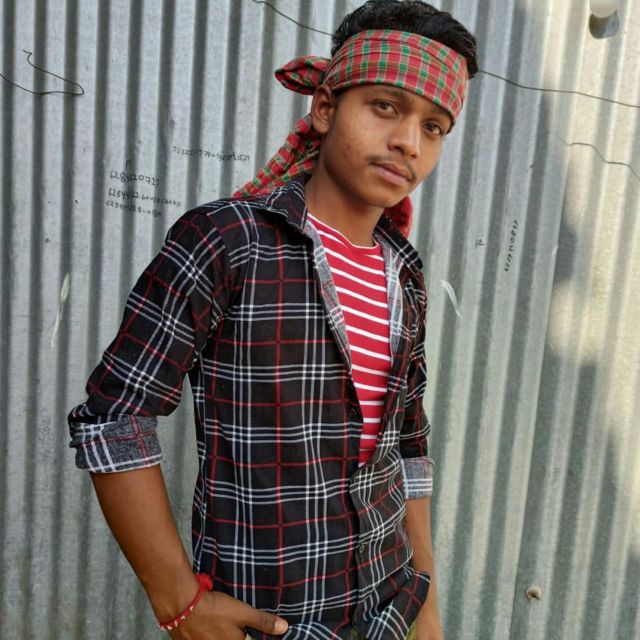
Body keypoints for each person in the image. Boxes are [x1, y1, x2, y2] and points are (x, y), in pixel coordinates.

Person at [68, 1, 478, 638]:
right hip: (271, 621)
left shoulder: (404, 273)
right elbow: (115, 418)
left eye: (434, 126)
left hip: (390, 607)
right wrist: (178, 600)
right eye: (385, 106)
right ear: (325, 107)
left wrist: (427, 609)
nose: (409, 142)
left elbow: (407, 446)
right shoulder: (229, 242)